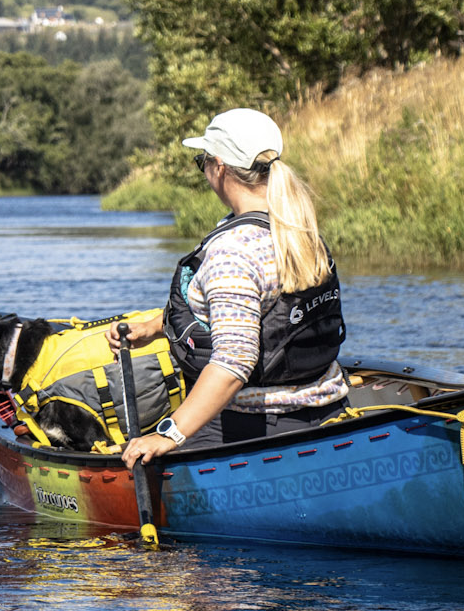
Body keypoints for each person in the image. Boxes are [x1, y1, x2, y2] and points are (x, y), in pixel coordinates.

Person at [120, 109, 347, 466]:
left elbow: (234, 362)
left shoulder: (233, 252)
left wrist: (169, 434)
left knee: (134, 453)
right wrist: (156, 327)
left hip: (256, 427)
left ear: (219, 166)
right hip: (328, 408)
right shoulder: (297, 229)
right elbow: (268, 315)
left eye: (202, 161)